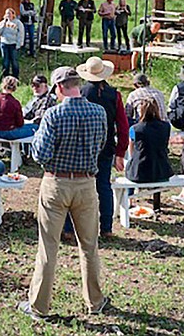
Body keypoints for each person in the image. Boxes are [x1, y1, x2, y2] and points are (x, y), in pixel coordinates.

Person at [18, 66, 108, 320]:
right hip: (87, 183)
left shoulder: (54, 114)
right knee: (89, 246)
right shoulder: (98, 112)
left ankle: (39, 306)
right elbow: (101, 145)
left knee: (48, 247)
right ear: (77, 84)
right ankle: (95, 300)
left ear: (59, 87)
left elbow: (40, 154)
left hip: (56, 183)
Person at [65, 57, 129, 239]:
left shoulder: (82, 93)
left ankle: (70, 228)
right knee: (104, 187)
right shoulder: (114, 95)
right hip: (106, 146)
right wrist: (120, 153)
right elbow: (122, 126)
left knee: (75, 186)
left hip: (82, 146)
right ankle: (106, 228)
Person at [125, 99, 173, 189]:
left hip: (139, 172)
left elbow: (131, 151)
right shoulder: (166, 126)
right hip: (162, 171)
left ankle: (130, 198)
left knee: (129, 161)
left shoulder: (135, 129)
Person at [0, 7, 24, 78]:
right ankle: (5, 76)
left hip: (13, 44)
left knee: (14, 61)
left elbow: (21, 34)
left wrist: (19, 44)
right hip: (4, 44)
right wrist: (3, 24)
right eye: (6, 13)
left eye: (9, 13)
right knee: (5, 61)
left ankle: (15, 76)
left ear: (13, 14)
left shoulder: (17, 23)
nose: (8, 15)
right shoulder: (3, 22)